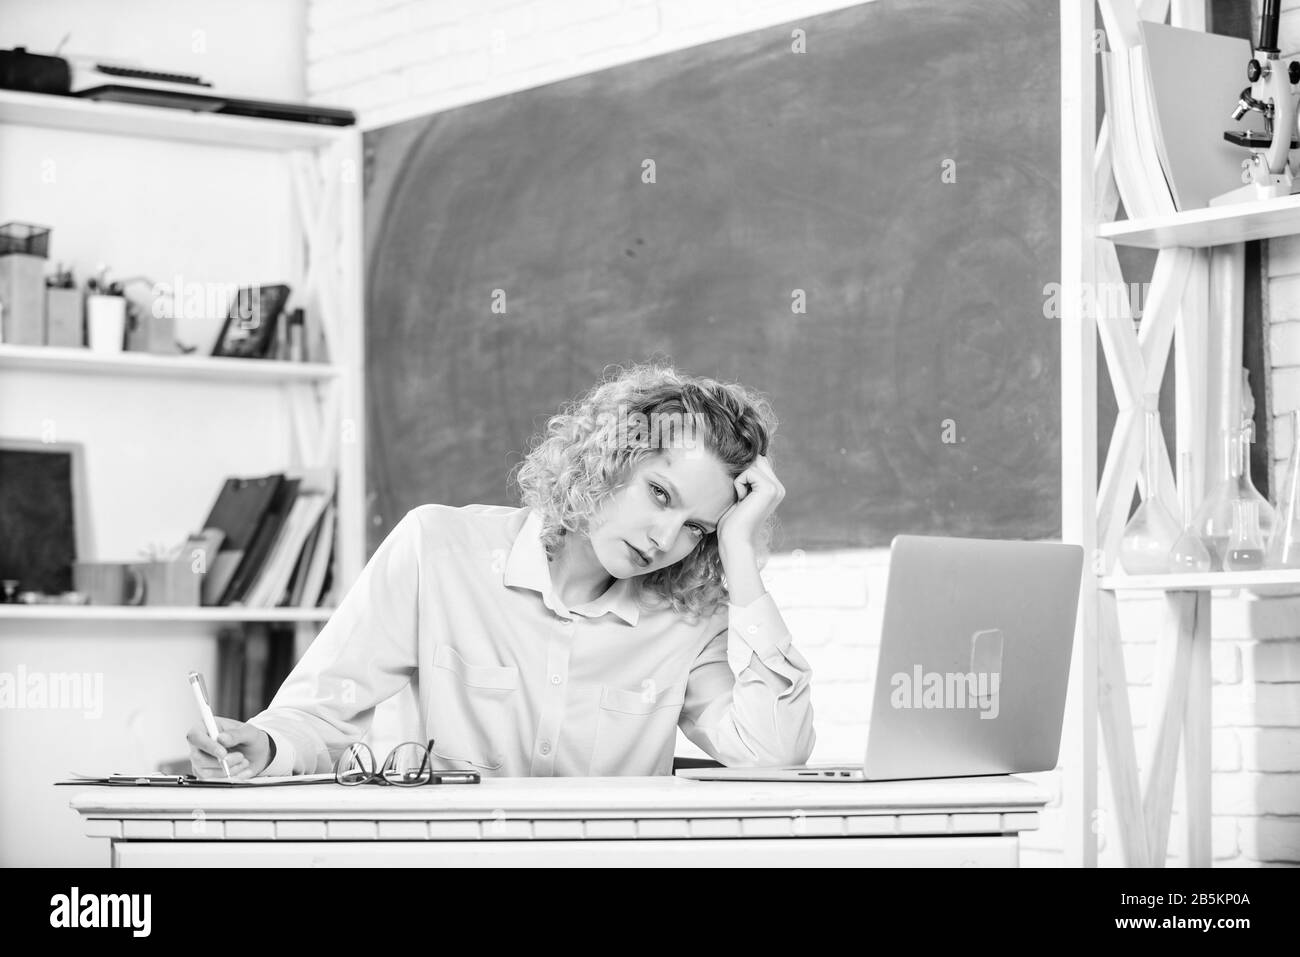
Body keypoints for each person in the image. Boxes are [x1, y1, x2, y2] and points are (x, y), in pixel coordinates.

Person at [188, 361, 816, 778]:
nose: (664, 538)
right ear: (608, 458)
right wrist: (264, 748)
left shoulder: (686, 614)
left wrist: (739, 553)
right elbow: (319, 715)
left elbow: (771, 756)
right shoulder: (438, 550)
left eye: (697, 529)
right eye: (659, 494)